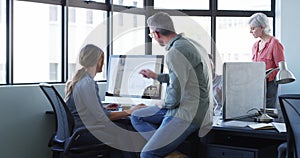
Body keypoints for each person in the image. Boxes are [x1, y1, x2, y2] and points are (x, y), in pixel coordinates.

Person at [130, 12, 213, 158]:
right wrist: (156, 76)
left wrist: (164, 103)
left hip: (186, 113)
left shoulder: (175, 52)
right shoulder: (187, 44)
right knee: (136, 116)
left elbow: (175, 94)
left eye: (151, 35)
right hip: (193, 108)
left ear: (156, 34)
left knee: (147, 154)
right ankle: (170, 151)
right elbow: (182, 78)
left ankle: (163, 149)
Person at [65, 44, 146, 158]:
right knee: (125, 133)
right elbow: (102, 117)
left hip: (79, 131)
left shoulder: (81, 80)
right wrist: (130, 111)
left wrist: (104, 108)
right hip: (83, 133)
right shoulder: (88, 83)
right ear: (99, 61)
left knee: (121, 131)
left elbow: (90, 110)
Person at [248, 12, 285, 108]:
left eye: (253, 28)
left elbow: (280, 68)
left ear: (262, 27)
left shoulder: (275, 44)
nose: (250, 31)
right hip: (257, 83)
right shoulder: (255, 46)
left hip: (270, 84)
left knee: (268, 110)